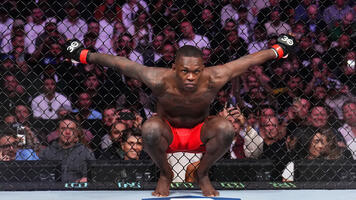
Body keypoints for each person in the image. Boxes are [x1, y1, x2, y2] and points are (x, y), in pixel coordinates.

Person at [64, 33, 296, 197]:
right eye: (185, 71)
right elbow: (121, 63)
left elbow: (247, 60)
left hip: (200, 133)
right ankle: (165, 174)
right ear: (174, 68)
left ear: (203, 69)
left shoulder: (214, 77)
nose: (191, 77)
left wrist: (278, 50)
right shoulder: (158, 78)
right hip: (168, 134)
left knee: (225, 127)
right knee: (150, 128)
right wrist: (84, 55)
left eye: (196, 72)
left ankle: (202, 173)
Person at [39, 115, 95, 183]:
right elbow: (41, 176)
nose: (67, 132)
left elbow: (94, 175)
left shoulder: (86, 152)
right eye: (63, 128)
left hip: (78, 191)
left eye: (71, 129)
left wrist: (87, 179)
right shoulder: (47, 152)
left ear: (76, 133)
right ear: (58, 131)